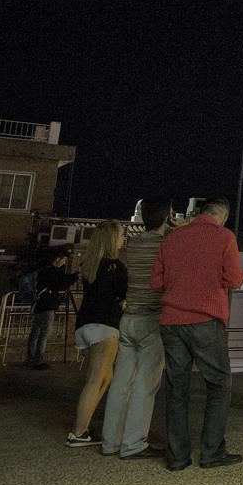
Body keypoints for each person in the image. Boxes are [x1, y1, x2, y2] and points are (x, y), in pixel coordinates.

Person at [150, 197, 243, 471]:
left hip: (171, 321)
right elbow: (235, 279)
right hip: (205, 320)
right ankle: (212, 452)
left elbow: (156, 281)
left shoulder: (172, 239)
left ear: (200, 213)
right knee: (219, 384)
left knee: (176, 388)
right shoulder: (224, 237)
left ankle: (178, 458)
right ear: (223, 216)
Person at [101, 197, 174, 459]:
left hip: (129, 318)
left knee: (122, 382)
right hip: (151, 319)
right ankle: (133, 444)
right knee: (145, 384)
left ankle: (111, 441)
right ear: (167, 216)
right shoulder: (166, 245)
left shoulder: (133, 243)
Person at [68, 221, 128, 447]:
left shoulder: (90, 264)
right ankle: (79, 431)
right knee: (96, 379)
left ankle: (83, 427)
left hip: (85, 325)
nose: (124, 238)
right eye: (122, 235)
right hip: (106, 325)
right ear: (112, 239)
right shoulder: (116, 267)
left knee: (103, 376)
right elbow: (123, 297)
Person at [26, 246, 77, 369]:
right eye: (63, 260)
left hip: (38, 305)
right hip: (47, 306)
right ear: (58, 259)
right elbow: (60, 284)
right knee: (43, 334)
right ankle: (38, 360)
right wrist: (74, 277)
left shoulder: (42, 270)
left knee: (35, 333)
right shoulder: (51, 272)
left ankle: (30, 358)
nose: (64, 263)